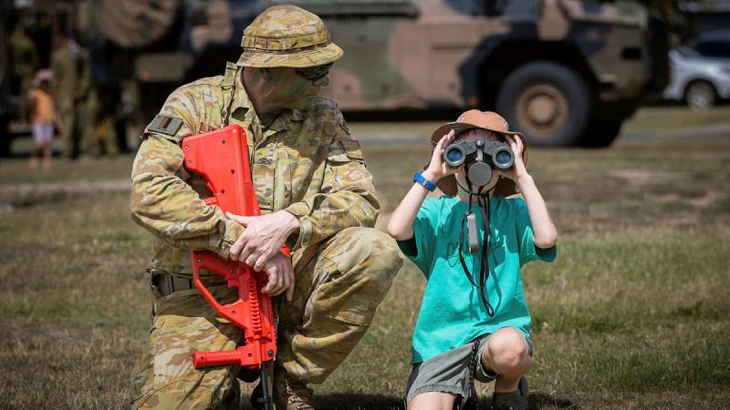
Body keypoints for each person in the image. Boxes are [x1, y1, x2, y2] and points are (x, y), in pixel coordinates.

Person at [129, 5, 402, 409]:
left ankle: (290, 381)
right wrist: (246, 242)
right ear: (264, 72)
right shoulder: (194, 105)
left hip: (286, 282)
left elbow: (361, 199)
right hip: (203, 293)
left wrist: (289, 222)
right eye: (311, 71)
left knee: (374, 251)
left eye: (326, 67)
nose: (325, 80)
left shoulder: (323, 115)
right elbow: (149, 192)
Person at [387, 110, 558, 410]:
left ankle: (508, 390)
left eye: (494, 151)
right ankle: (460, 394)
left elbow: (546, 239)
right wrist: (431, 174)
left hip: (498, 335)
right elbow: (397, 228)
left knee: (511, 350)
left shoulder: (512, 212)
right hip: (442, 343)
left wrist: (523, 178)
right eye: (465, 150)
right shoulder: (437, 212)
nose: (478, 161)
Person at [51, 32, 89, 160]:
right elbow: (55, 78)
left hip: (76, 94)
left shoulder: (79, 55)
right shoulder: (58, 57)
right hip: (65, 95)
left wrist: (82, 91)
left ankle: (75, 149)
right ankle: (68, 150)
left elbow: (84, 74)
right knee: (69, 123)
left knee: (79, 122)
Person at [28, 70, 62, 170]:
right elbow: (30, 106)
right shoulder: (35, 93)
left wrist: (59, 123)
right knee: (39, 143)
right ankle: (34, 158)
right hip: (38, 121)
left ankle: (47, 162)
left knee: (49, 143)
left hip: (49, 120)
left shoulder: (52, 95)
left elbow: (55, 110)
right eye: (43, 82)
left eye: (47, 82)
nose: (45, 84)